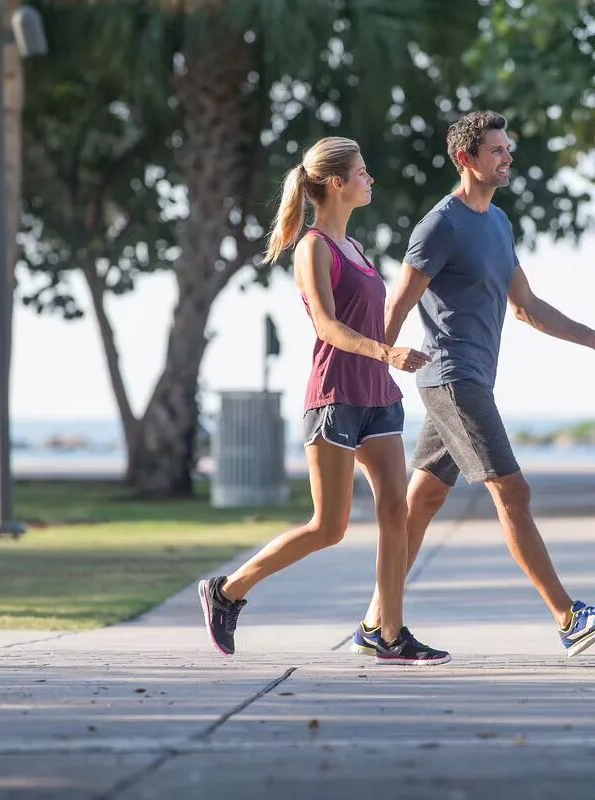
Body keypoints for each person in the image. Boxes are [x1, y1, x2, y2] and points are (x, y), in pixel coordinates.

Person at [198, 136, 451, 666]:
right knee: (328, 527)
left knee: (395, 515)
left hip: (378, 395)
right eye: (361, 172)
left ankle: (389, 632)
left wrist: (389, 360)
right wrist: (387, 350)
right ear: (336, 183)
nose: (369, 179)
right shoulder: (315, 247)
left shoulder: (356, 248)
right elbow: (328, 327)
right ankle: (227, 591)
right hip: (335, 397)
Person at [354, 110, 595, 658]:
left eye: (508, 149)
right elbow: (399, 301)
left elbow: (527, 308)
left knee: (423, 502)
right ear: (466, 159)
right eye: (497, 151)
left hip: (469, 380)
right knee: (513, 491)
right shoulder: (440, 225)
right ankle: (568, 617)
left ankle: (374, 623)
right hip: (451, 379)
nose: (508, 158)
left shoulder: (499, 223)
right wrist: (374, 369)